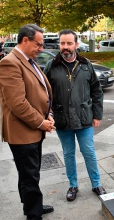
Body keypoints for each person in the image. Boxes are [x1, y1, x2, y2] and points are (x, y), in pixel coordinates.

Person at [0, 24, 56, 220]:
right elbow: (18, 103)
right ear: (25, 40)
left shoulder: (28, 60)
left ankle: (32, 206)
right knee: (30, 175)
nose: (41, 48)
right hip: (23, 132)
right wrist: (41, 122)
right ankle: (33, 214)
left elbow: (37, 93)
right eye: (38, 44)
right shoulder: (10, 63)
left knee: (29, 173)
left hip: (32, 128)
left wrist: (47, 114)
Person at [43, 29, 106, 202]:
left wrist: (97, 115)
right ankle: (73, 185)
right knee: (68, 153)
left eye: (69, 43)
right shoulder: (51, 66)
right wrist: (48, 113)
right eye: (62, 43)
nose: (65, 47)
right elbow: (44, 93)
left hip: (84, 118)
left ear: (76, 45)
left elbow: (96, 91)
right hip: (62, 119)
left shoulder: (86, 65)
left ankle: (96, 183)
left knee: (89, 152)